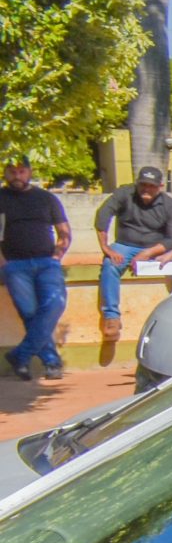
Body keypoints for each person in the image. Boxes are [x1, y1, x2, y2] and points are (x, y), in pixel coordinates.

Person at [93, 166, 172, 342]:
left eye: (151, 186)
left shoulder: (169, 205)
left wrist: (147, 253)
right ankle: (112, 317)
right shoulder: (124, 194)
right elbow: (102, 216)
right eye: (143, 185)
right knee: (110, 265)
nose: (146, 189)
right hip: (125, 245)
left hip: (156, 249)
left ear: (160, 186)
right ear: (137, 183)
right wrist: (106, 248)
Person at [0, 157, 72, 381]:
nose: (17, 176)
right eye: (12, 172)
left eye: (21, 171)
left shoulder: (46, 198)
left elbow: (64, 231)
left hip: (47, 263)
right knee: (30, 313)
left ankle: (20, 356)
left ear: (30, 172)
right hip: (15, 266)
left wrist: (57, 256)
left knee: (55, 304)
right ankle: (51, 363)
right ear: (5, 173)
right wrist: (3, 263)